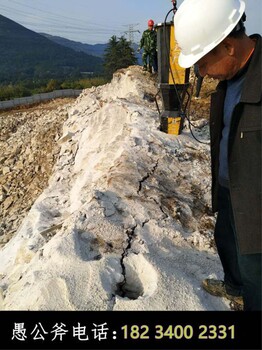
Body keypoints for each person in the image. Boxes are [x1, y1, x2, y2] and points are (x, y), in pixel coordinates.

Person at [174, 0, 261, 311]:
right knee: (227, 244)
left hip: (256, 205)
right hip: (228, 189)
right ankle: (234, 287)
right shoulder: (228, 82)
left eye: (203, 61)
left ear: (228, 47)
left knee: (255, 273)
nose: (200, 72)